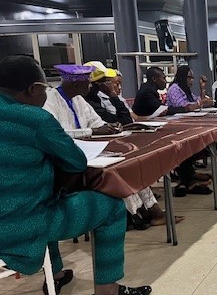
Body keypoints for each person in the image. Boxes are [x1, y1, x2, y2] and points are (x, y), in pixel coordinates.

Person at [0, 56, 151, 295]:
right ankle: (108, 292)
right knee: (111, 206)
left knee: (43, 197)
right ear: (33, 89)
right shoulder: (34, 119)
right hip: (20, 225)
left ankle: (56, 275)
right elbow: (76, 162)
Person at [44, 64, 174, 229]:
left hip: (91, 151)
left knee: (128, 165)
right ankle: (137, 213)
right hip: (68, 159)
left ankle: (151, 209)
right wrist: (92, 130)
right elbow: (57, 134)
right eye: (88, 83)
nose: (91, 86)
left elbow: (97, 122)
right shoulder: (50, 100)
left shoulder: (78, 100)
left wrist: (110, 127)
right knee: (115, 172)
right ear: (76, 84)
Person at [132, 67, 212, 197]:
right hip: (146, 131)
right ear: (154, 79)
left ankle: (188, 174)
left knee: (189, 138)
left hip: (155, 126)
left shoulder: (155, 90)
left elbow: (195, 102)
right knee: (182, 141)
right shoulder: (165, 90)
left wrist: (201, 92)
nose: (191, 80)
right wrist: (190, 107)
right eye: (189, 77)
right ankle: (186, 175)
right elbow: (170, 108)